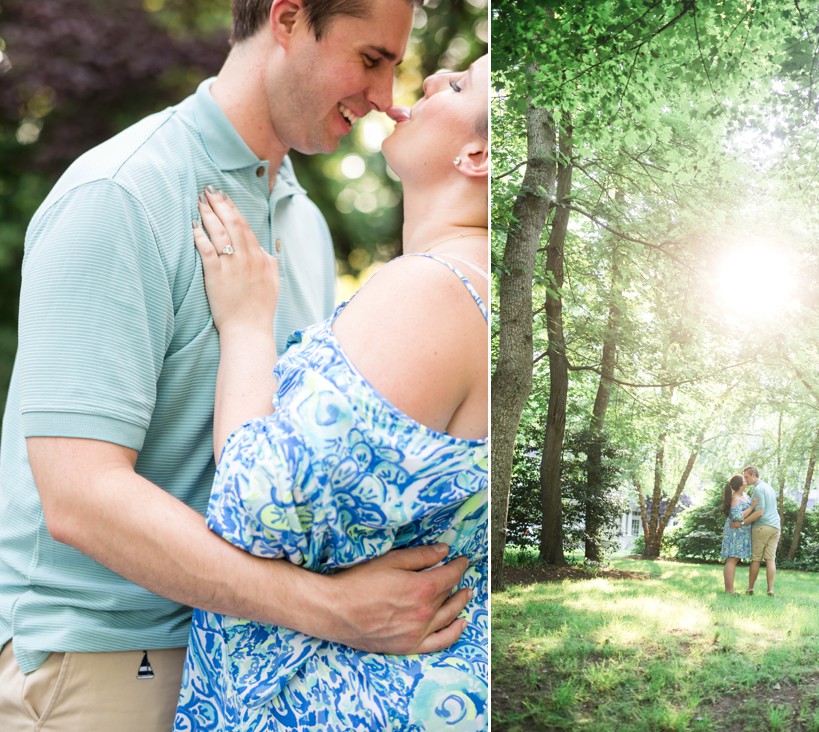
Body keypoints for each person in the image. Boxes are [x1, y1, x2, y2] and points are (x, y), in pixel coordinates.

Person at [0, 2, 471, 729]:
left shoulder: (303, 225)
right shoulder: (121, 193)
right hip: (107, 666)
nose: (386, 99)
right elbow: (78, 497)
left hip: (241, 665)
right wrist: (334, 611)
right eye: (371, 60)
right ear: (287, 19)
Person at [174, 52, 489, 730]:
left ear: (477, 155)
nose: (432, 80)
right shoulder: (479, 295)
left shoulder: (433, 293)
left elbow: (255, 508)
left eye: (460, 85)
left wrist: (248, 323)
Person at [729, 465, 781, 596]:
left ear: (753, 475)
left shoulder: (758, 489)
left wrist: (741, 523)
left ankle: (750, 589)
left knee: (756, 559)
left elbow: (759, 513)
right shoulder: (769, 487)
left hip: (762, 527)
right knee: (770, 560)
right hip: (776, 527)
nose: (745, 480)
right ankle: (770, 590)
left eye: (746, 477)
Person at [721, 474, 757, 594]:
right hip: (734, 532)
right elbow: (737, 517)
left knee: (735, 559)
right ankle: (729, 590)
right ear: (742, 485)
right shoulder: (736, 498)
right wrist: (751, 507)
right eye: (744, 480)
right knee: (732, 559)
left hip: (741, 531)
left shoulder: (744, 495)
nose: (746, 480)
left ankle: (729, 590)